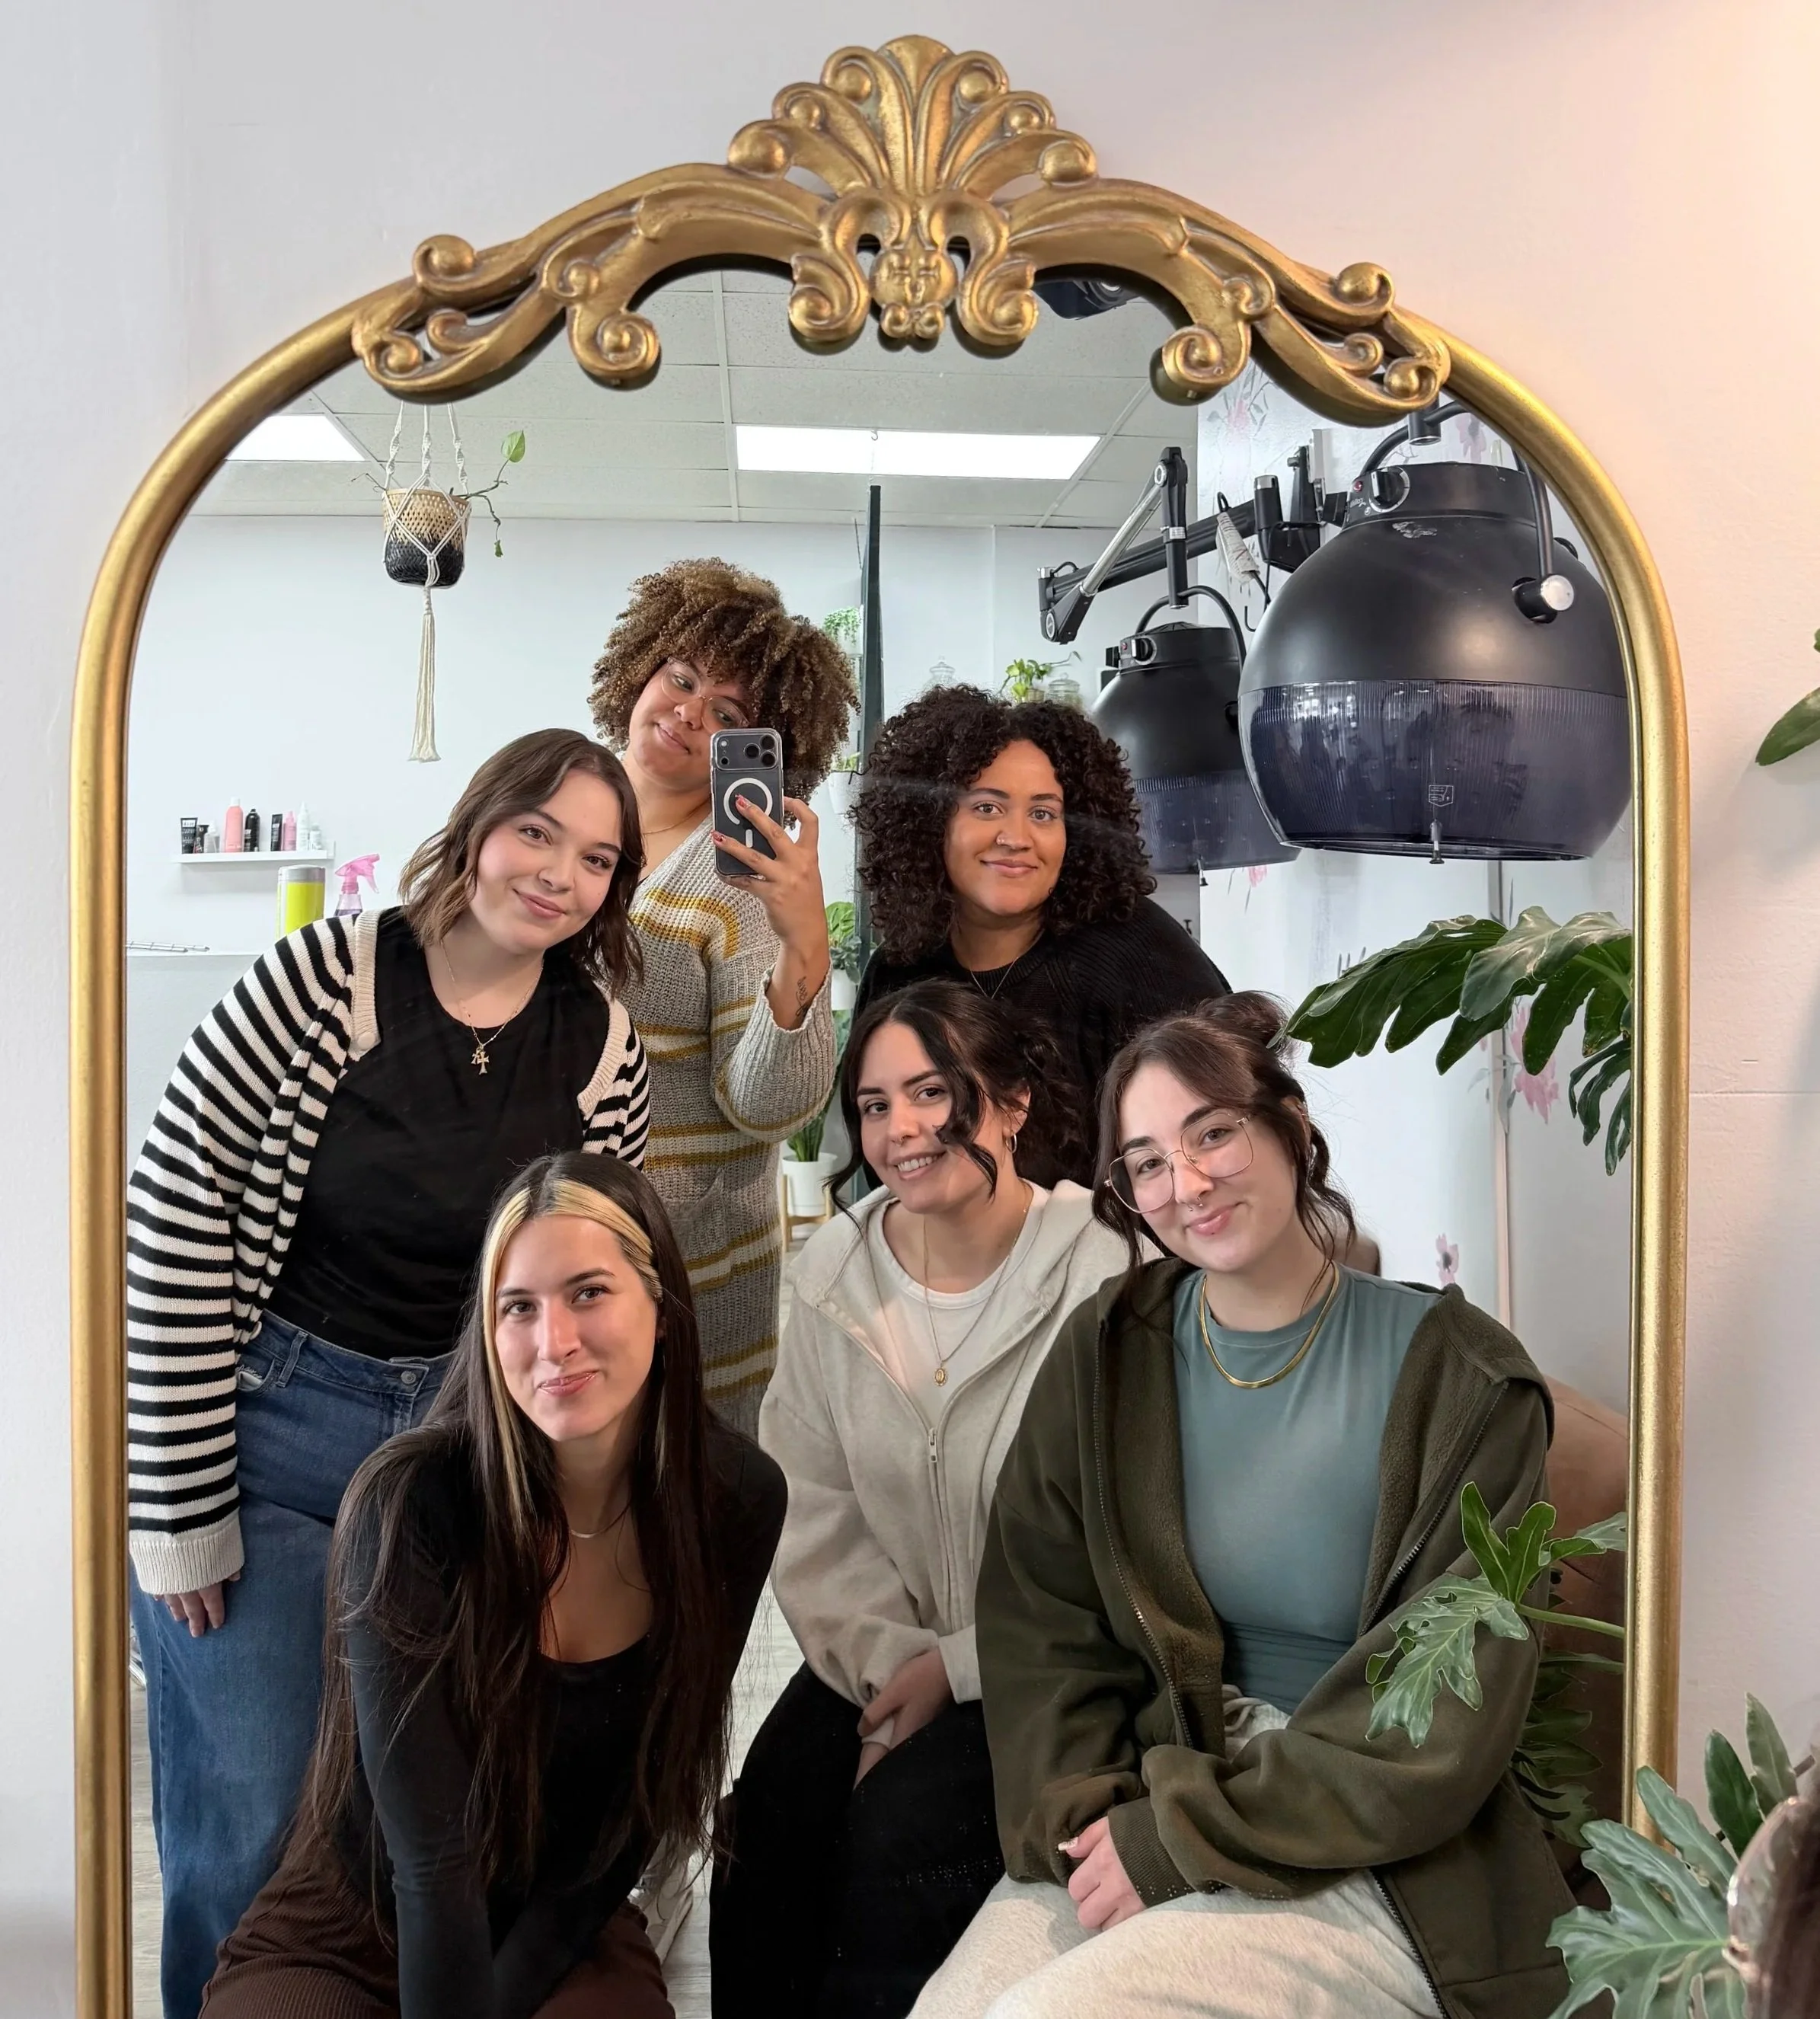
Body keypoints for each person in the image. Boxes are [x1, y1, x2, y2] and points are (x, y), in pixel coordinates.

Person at [915, 993, 1574, 2019]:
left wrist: (1187, 1835)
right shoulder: (1108, 1348)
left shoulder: (1465, 1379)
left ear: (1289, 1126)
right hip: (1155, 1790)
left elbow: (1445, 1709)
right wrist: (1096, 1812)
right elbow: (1041, 1618)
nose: (1186, 1182)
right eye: (1143, 1161)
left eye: (1212, 1131)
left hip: (1371, 1846)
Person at [128, 730, 651, 2019]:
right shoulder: (325, 979)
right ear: (480, 825)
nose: (558, 875)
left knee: (438, 1824)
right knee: (253, 1818)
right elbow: (175, 1205)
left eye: (597, 858)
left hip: (469, 1454)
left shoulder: (599, 1046)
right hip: (274, 1436)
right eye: (539, 831)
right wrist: (178, 1506)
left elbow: (600, 1282)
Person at [201, 1152, 787, 2019]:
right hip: (364, 1913)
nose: (554, 1341)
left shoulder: (735, 1500)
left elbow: (632, 1811)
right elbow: (431, 1865)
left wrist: (508, 1995)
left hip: (562, 1919)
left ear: (661, 1309)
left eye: (588, 1291)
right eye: (519, 1307)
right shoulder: (411, 1501)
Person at [712, 982, 1128, 2019]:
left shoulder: (1108, 1278)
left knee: (898, 1836)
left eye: (932, 1093)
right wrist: (892, 1657)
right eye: (873, 1103)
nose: (900, 1128)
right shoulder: (831, 1272)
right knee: (761, 1825)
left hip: (1048, 1664)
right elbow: (809, 1500)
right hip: (881, 1647)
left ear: (1013, 1102)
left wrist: (960, 1661)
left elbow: (1121, 1532)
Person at [590, 557, 857, 1433]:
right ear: (639, 667)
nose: (688, 713)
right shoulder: (559, 806)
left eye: (728, 716)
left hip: (689, 1268)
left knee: (684, 1533)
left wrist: (802, 941)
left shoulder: (736, 872)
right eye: (681, 677)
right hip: (548, 1243)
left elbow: (766, 1106)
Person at [852, 685, 1230, 1188]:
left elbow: (1225, 1144)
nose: (1017, 837)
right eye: (987, 808)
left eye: (1044, 813)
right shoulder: (899, 973)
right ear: (928, 823)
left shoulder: (1142, 960)